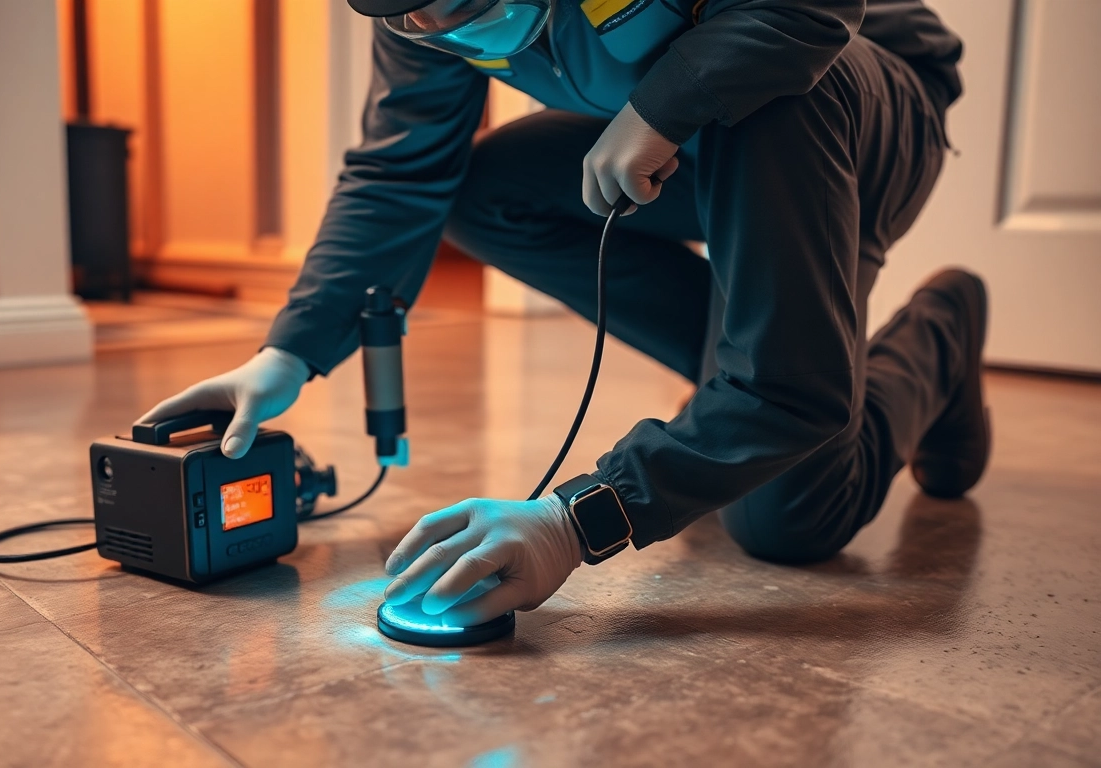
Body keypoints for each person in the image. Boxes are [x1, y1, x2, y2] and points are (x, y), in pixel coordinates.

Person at [141, 0, 988, 628]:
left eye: (461, 7)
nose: (441, 25)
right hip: (698, 142)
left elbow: (807, 9)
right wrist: (286, 353)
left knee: (788, 518)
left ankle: (942, 327)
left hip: (825, 92)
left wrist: (576, 519)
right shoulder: (419, 16)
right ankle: (750, 371)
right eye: (415, 18)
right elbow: (400, 173)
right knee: (485, 195)